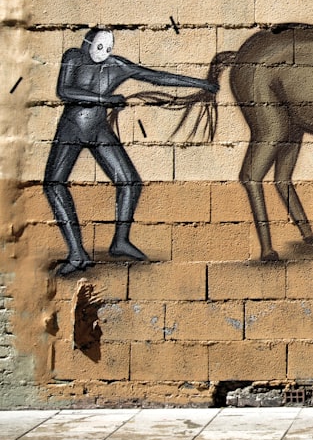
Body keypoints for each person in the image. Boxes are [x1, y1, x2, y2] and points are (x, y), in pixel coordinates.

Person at [45, 28, 219, 276]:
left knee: (130, 183)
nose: (102, 53)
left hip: (98, 130)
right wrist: (105, 100)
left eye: (107, 48)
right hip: (71, 129)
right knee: (53, 184)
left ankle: (120, 241)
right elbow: (65, 91)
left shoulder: (117, 65)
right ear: (86, 44)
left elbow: (157, 77)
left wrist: (200, 84)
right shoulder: (73, 57)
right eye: (98, 47)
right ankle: (76, 253)